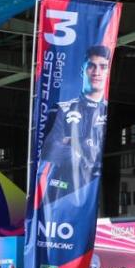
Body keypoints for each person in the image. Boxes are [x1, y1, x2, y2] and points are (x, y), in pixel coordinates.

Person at [37, 45, 112, 204]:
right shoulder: (62, 109)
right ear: (82, 70)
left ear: (107, 72)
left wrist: (74, 142)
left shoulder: (109, 112)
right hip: (61, 195)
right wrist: (82, 152)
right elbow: (50, 149)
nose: (97, 72)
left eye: (103, 67)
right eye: (91, 65)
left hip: (95, 194)